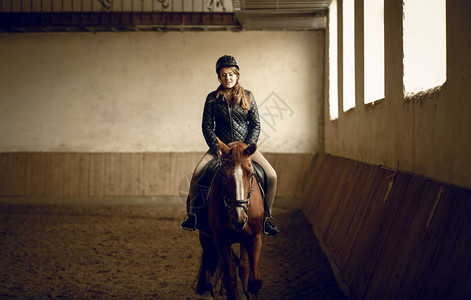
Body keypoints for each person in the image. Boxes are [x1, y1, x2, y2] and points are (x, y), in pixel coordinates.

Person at [181, 55, 279, 235]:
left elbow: (256, 124)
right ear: (219, 77)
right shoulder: (212, 98)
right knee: (197, 174)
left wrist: (246, 148)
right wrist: (215, 145)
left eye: (231, 74)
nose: (228, 78)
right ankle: (193, 215)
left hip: (244, 150)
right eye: (224, 75)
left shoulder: (248, 96)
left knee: (271, 175)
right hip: (221, 148)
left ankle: (267, 218)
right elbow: (207, 126)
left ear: (237, 75)